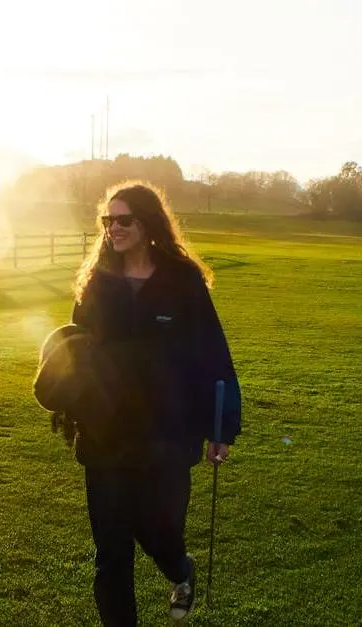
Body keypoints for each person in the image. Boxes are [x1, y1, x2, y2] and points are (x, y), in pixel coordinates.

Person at [68, 182, 241, 626]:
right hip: (105, 433)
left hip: (168, 433)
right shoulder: (96, 283)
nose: (114, 228)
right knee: (111, 552)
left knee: (160, 531)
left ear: (147, 224)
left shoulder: (181, 281)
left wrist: (221, 427)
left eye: (124, 219)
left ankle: (181, 571)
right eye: (108, 221)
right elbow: (76, 348)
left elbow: (212, 354)